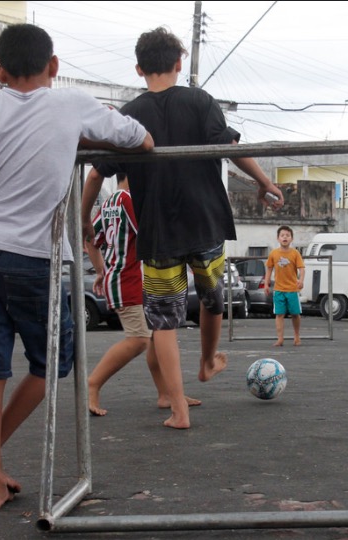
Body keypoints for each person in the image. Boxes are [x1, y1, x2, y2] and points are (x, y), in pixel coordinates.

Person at [0, 23, 153, 511]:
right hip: (35, 257)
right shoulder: (71, 104)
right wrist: (78, 139)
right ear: (54, 66)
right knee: (52, 364)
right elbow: (141, 141)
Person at [81, 26, 283, 430]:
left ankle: (178, 409)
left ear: (139, 69)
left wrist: (85, 219)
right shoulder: (200, 101)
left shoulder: (130, 115)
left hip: (158, 234)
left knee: (163, 321)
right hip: (205, 223)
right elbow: (231, 149)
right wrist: (264, 182)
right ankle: (207, 362)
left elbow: (94, 174)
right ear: (179, 63)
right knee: (212, 297)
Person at [83, 173, 200, 416]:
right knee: (139, 339)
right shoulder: (130, 201)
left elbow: (90, 240)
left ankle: (166, 394)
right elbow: (152, 235)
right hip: (131, 279)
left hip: (122, 277)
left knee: (157, 339)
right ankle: (92, 383)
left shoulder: (108, 203)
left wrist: (102, 271)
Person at [264, 225, 305, 347]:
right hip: (278, 289)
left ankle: (297, 336)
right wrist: (266, 284)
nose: (285, 238)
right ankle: (280, 339)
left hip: (292, 289)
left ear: (291, 238)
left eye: (287, 235)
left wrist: (301, 280)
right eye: (282, 235)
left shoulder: (295, 253)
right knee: (279, 314)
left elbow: (302, 269)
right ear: (278, 238)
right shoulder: (273, 253)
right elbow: (269, 269)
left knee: (295, 314)